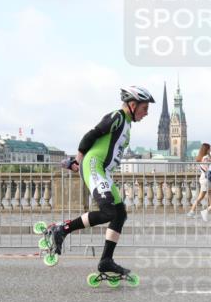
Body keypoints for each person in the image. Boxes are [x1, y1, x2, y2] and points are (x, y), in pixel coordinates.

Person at [45, 86, 153, 278]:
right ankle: (62, 229)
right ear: (133, 104)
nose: (147, 113)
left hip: (105, 171)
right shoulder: (118, 117)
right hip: (95, 165)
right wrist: (77, 161)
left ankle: (106, 260)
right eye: (145, 108)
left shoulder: (127, 123)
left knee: (119, 214)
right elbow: (91, 135)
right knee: (107, 212)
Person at [188, 143, 211, 217]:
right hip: (206, 179)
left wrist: (210, 155)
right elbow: (208, 168)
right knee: (201, 196)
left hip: (205, 178)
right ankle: (191, 211)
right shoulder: (206, 158)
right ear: (207, 149)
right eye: (210, 148)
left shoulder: (204, 157)